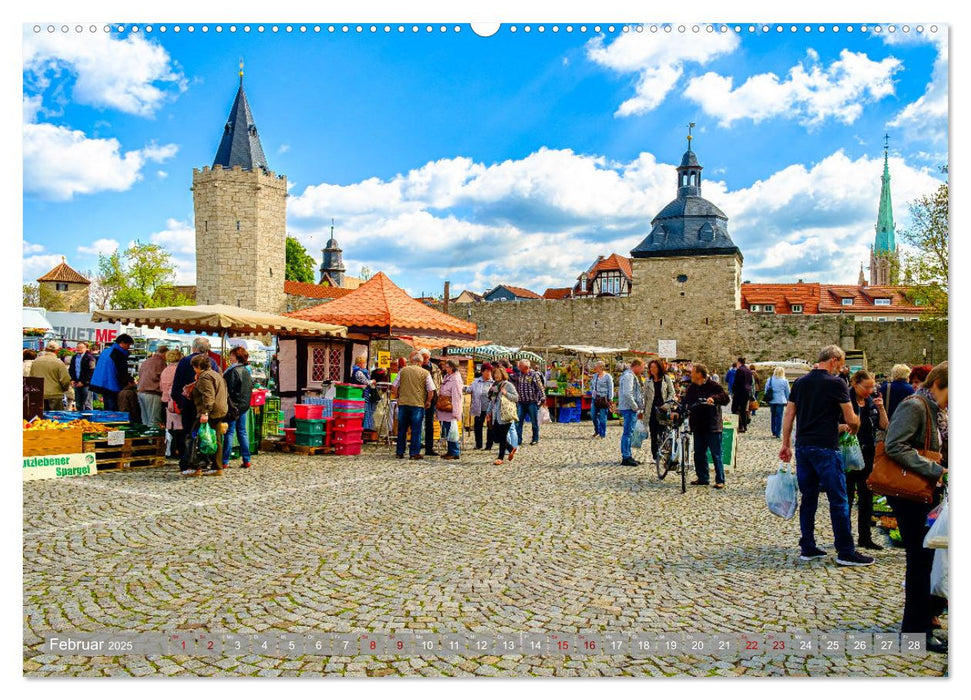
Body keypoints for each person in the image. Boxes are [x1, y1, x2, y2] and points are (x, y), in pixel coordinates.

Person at [779, 345, 873, 567]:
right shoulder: (837, 383)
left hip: (803, 447)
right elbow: (851, 419)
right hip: (826, 447)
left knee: (808, 498)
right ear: (833, 360)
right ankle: (845, 550)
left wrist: (785, 444)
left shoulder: (800, 383)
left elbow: (789, 414)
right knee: (838, 499)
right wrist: (856, 425)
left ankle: (808, 546)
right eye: (840, 365)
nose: (841, 370)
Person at [884, 361, 948, 653]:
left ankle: (923, 620)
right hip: (911, 493)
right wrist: (936, 469)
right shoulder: (916, 405)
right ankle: (915, 630)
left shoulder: (934, 408)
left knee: (927, 559)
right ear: (939, 384)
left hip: (924, 491)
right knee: (920, 560)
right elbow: (895, 445)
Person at [843, 370, 889, 550]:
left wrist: (881, 408)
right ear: (855, 383)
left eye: (873, 387)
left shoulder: (870, 401)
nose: (870, 390)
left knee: (866, 497)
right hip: (848, 452)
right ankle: (845, 538)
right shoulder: (845, 399)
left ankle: (865, 537)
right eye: (867, 387)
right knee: (846, 496)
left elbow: (884, 426)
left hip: (868, 453)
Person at [172, 338, 219, 475]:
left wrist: (180, 403)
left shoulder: (184, 362)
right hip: (206, 407)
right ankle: (204, 462)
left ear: (193, 348)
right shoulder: (213, 363)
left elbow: (176, 387)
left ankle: (190, 464)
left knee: (190, 434)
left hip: (189, 406)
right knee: (204, 434)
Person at [680, 364, 730, 488]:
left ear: (699, 374)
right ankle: (703, 477)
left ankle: (720, 480)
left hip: (712, 425)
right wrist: (678, 411)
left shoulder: (714, 386)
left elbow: (725, 398)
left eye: (692, 372)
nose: (690, 375)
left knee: (716, 453)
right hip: (698, 425)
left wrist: (713, 399)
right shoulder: (692, 388)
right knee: (699, 453)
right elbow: (686, 402)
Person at [190, 353, 230, 476]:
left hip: (211, 412)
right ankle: (217, 467)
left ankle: (196, 467)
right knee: (215, 439)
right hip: (220, 410)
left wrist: (205, 413)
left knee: (195, 437)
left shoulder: (205, 377)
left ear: (197, 366)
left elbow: (208, 396)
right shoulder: (216, 374)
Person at [393, 352, 435, 460]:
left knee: (402, 429)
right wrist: (428, 401)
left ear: (411, 361)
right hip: (417, 404)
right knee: (416, 429)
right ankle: (414, 453)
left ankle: (400, 452)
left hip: (403, 403)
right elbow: (431, 390)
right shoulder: (425, 373)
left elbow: (394, 386)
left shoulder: (403, 371)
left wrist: (398, 397)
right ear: (420, 362)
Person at [222, 346, 255, 470]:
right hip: (243, 406)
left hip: (232, 406)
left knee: (229, 433)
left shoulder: (232, 371)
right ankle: (247, 459)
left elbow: (228, 389)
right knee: (242, 432)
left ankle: (224, 460)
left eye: (231, 355)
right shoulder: (246, 370)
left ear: (236, 356)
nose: (229, 357)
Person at [89, 334, 134, 411]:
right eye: (128, 345)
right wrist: (128, 382)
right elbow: (121, 371)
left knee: (107, 407)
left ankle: (106, 421)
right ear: (122, 343)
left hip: (101, 383)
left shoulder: (106, 351)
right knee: (113, 409)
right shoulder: (118, 353)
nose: (128, 347)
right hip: (111, 384)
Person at [486, 366, 520, 465]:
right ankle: (510, 448)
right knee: (497, 437)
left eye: (498, 373)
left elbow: (516, 398)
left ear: (503, 374)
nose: (496, 375)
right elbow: (492, 401)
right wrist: (488, 412)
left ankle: (500, 458)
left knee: (502, 436)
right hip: (496, 415)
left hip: (506, 415)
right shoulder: (494, 385)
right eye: (495, 373)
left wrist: (506, 394)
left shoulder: (508, 385)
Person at [643, 359, 674, 459]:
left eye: (654, 367)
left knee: (662, 432)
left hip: (663, 409)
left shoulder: (666, 379)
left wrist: (666, 405)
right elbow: (645, 396)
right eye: (650, 367)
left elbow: (672, 393)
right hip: (651, 410)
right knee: (653, 433)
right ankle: (655, 454)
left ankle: (663, 451)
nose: (652, 369)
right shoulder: (648, 381)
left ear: (659, 368)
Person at [617, 358, 645, 466]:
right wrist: (634, 406)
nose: (643, 370)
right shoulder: (629, 376)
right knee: (628, 433)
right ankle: (626, 457)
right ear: (637, 366)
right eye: (642, 367)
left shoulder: (629, 375)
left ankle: (628, 455)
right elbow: (627, 393)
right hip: (629, 408)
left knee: (629, 432)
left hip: (629, 407)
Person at [30, 342, 73, 412]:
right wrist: (64, 389)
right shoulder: (59, 363)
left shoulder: (36, 362)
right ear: (57, 351)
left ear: (45, 349)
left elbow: (31, 378)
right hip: (55, 395)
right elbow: (65, 379)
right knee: (56, 419)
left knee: (39, 420)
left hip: (39, 394)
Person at [511, 360, 546, 446]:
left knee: (534, 422)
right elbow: (510, 378)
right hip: (521, 402)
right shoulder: (518, 375)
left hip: (532, 402)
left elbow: (540, 387)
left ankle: (535, 438)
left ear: (526, 367)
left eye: (520, 366)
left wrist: (543, 398)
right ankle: (518, 440)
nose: (518, 367)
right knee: (518, 422)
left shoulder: (534, 375)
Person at [436, 359, 464, 460]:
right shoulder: (448, 377)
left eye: (447, 366)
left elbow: (457, 396)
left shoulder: (455, 379)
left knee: (452, 431)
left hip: (450, 408)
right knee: (448, 430)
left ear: (452, 367)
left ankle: (455, 451)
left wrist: (456, 412)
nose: (445, 368)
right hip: (446, 409)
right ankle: (450, 451)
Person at [159, 349, 184, 461]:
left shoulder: (165, 370)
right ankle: (176, 449)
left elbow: (161, 386)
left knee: (170, 427)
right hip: (174, 402)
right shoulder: (178, 370)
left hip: (165, 400)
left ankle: (170, 449)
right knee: (179, 427)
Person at [136, 345, 168, 427]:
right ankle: (152, 439)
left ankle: (146, 439)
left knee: (145, 421)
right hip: (152, 393)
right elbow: (164, 379)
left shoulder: (147, 361)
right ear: (165, 354)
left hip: (141, 392)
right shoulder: (161, 362)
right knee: (154, 421)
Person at [419, 348, 443, 456]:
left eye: (427, 357)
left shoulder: (435, 368)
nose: (425, 359)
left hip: (432, 398)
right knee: (417, 422)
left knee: (429, 424)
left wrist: (438, 394)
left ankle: (429, 448)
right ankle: (417, 446)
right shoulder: (417, 367)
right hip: (419, 397)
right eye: (423, 357)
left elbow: (439, 381)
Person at [466, 362, 495, 450]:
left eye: (490, 371)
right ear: (482, 371)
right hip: (479, 408)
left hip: (490, 409)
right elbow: (469, 389)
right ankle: (478, 444)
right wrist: (463, 388)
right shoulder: (476, 381)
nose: (488, 373)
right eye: (486, 371)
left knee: (490, 427)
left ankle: (489, 445)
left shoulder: (494, 382)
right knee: (478, 427)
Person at [350, 355, 376, 431]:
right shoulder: (358, 372)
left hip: (361, 395)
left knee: (363, 412)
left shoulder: (360, 371)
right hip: (360, 395)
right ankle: (361, 430)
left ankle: (362, 428)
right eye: (363, 363)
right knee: (362, 412)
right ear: (359, 364)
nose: (364, 365)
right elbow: (366, 382)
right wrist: (373, 381)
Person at [589, 360, 614, 440]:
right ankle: (597, 430)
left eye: (597, 366)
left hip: (604, 399)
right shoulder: (595, 376)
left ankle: (602, 434)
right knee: (593, 415)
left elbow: (611, 388)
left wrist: (610, 398)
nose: (595, 367)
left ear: (601, 367)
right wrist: (592, 392)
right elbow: (592, 385)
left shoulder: (608, 377)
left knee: (603, 417)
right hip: (595, 399)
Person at [68, 342, 96, 411]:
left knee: (87, 403)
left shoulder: (89, 357)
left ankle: (88, 419)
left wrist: (83, 382)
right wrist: (72, 379)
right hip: (77, 383)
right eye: (78, 347)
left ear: (86, 348)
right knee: (78, 403)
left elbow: (91, 371)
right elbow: (71, 369)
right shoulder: (74, 357)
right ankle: (79, 419)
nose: (79, 349)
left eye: (81, 347)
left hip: (86, 384)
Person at [765, 367, 791, 438]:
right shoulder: (784, 381)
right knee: (779, 416)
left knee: (773, 415)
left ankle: (773, 430)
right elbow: (787, 392)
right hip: (781, 400)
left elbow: (766, 389)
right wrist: (789, 400)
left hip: (772, 400)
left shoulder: (770, 380)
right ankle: (778, 433)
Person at [730, 357, 754, 433]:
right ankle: (745, 425)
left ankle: (739, 425)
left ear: (739, 362)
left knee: (734, 408)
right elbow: (750, 382)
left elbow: (737, 382)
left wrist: (733, 391)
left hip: (739, 392)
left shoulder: (740, 370)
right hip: (747, 392)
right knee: (743, 410)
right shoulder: (748, 370)